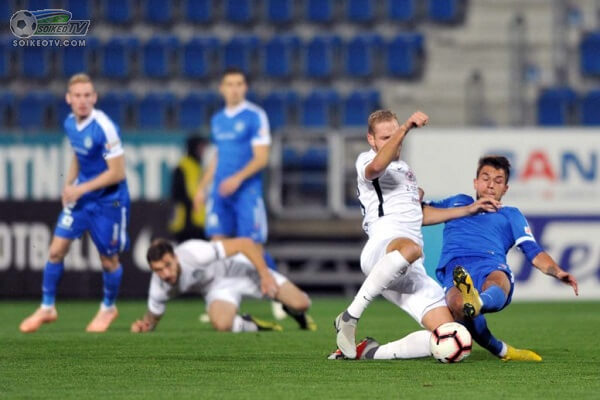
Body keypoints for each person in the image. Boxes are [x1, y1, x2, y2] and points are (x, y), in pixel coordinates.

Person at [332, 110, 499, 359]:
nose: (393, 141)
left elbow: (421, 216)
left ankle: (367, 353)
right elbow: (377, 166)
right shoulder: (366, 160)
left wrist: (469, 209)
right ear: (371, 140)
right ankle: (350, 316)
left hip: (409, 269)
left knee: (453, 335)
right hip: (383, 248)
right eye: (385, 137)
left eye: (395, 135)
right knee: (411, 248)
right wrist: (406, 128)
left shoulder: (405, 171)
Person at [429, 155, 579, 361]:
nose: (491, 185)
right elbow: (421, 211)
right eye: (485, 178)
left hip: (490, 264)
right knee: (458, 304)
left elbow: (533, 251)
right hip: (456, 269)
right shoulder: (457, 202)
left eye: (498, 181)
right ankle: (500, 348)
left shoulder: (510, 214)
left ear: (505, 189)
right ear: (475, 182)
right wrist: (413, 198)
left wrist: (557, 271)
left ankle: (478, 301)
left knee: (498, 279)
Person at [20, 73, 130, 333]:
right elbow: (79, 156)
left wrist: (80, 188)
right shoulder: (70, 124)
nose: (82, 101)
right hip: (82, 198)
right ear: (69, 99)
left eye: (87, 95)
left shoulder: (105, 127)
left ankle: (108, 307)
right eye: (77, 96)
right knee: (56, 250)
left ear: (95, 98)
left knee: (108, 260)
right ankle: (47, 307)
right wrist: (69, 185)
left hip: (109, 201)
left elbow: (118, 172)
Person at [192, 67, 285, 320]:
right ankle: (219, 300)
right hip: (220, 193)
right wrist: (202, 188)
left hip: (247, 192)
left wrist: (238, 178)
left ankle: (278, 293)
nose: (234, 88)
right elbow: (218, 157)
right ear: (222, 88)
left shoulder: (256, 116)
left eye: (239, 83)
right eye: (229, 84)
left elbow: (262, 158)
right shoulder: (218, 119)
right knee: (217, 247)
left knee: (252, 246)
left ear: (245, 87)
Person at [130, 237, 317, 333]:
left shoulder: (196, 253)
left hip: (239, 270)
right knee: (222, 325)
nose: (166, 274)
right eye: (158, 270)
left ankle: (294, 311)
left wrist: (265, 275)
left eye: (167, 265)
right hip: (217, 288)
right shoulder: (159, 286)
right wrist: (144, 326)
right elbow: (152, 318)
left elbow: (245, 244)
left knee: (302, 303)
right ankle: (251, 324)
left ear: (176, 257)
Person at [169, 134, 209, 243]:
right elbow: (177, 194)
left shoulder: (199, 166)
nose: (203, 151)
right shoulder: (182, 166)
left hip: (199, 222)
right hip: (186, 223)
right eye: (201, 147)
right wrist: (191, 204)